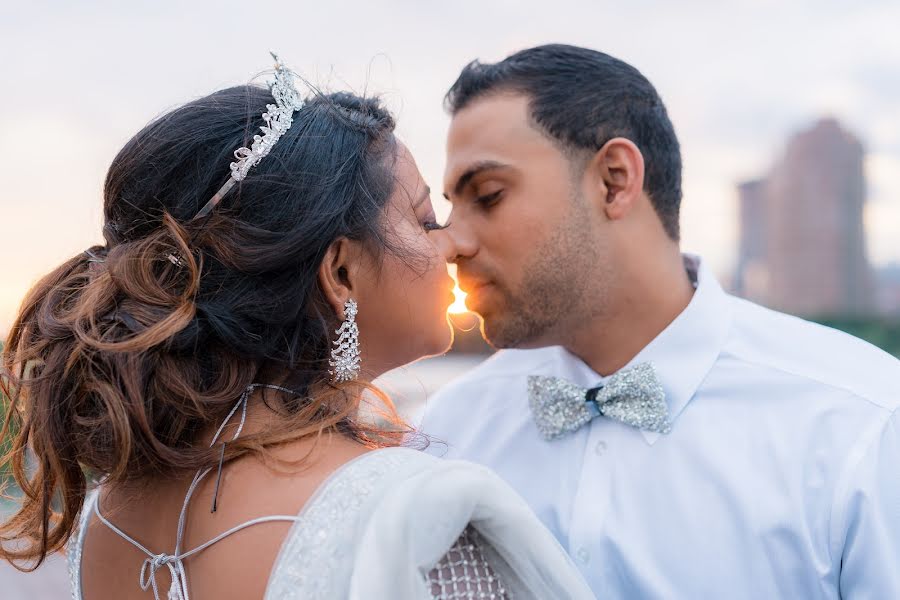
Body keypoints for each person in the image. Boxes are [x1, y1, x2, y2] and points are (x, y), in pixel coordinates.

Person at [0, 55, 594, 600]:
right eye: (425, 220)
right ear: (339, 272)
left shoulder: (108, 516)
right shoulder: (411, 516)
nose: (454, 244)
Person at [422, 44, 900, 598]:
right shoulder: (446, 433)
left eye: (488, 195)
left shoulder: (861, 423)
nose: (452, 241)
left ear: (614, 180)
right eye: (449, 209)